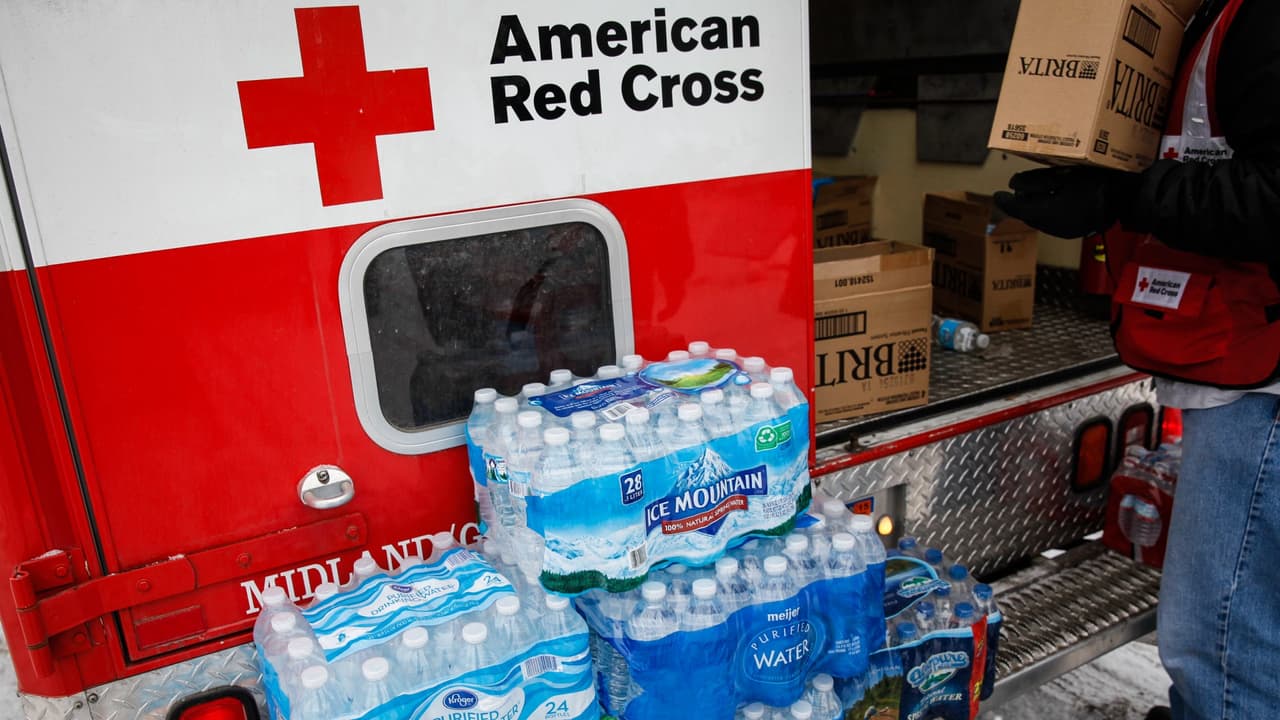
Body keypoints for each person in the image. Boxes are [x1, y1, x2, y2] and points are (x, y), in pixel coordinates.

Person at [994, 1, 1280, 719]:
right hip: (1244, 370)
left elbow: (1272, 197)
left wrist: (1121, 196)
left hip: (1261, 388)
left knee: (1218, 641)